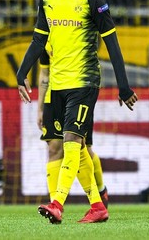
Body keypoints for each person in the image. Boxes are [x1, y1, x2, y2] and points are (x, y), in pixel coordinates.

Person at [15, 0, 138, 224]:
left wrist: (123, 85)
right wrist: (21, 72)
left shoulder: (93, 0)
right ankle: (97, 205)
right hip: (56, 85)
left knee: (72, 140)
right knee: (73, 146)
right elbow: (38, 40)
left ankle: (57, 202)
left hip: (84, 83)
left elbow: (113, 44)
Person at [37, 50, 109, 210]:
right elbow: (44, 72)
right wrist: (40, 108)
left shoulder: (78, 32)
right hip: (54, 97)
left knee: (83, 148)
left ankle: (100, 192)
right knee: (54, 148)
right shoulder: (46, 35)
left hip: (79, 93)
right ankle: (54, 205)